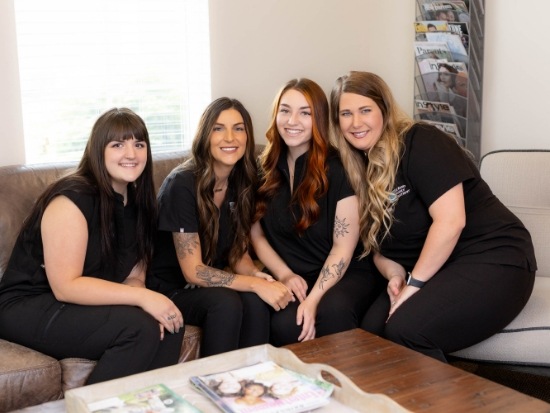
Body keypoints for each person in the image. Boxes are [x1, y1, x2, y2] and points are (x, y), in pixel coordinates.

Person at [330, 71, 536, 362]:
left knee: (406, 329)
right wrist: (396, 274)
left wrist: (415, 285)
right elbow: (377, 246)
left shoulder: (420, 141)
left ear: (384, 111)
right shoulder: (355, 169)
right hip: (439, 268)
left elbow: (451, 221)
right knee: (370, 334)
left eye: (365, 110)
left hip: (495, 257)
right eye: (345, 114)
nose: (356, 123)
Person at [0, 108, 184, 384]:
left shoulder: (141, 204)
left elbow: (134, 276)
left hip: (75, 302)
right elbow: (66, 285)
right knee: (138, 329)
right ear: (99, 150)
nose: (131, 154)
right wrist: (145, 299)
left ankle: (149, 404)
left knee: (171, 323)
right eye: (118, 144)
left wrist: (151, 301)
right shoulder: (72, 198)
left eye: (139, 144)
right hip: (27, 304)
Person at [147, 97, 293, 356]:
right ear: (205, 135)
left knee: (255, 300)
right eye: (218, 128)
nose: (230, 137)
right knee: (225, 303)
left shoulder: (242, 179)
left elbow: (238, 252)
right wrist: (252, 283)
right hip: (172, 288)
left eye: (238, 128)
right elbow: (194, 272)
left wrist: (256, 276)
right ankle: (215, 385)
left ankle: (254, 381)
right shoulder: (181, 185)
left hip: (206, 286)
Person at [251, 78, 382, 346]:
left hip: (344, 274)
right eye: (285, 110)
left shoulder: (340, 168)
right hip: (294, 275)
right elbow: (257, 236)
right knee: (286, 325)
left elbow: (342, 249)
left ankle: (347, 385)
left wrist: (312, 300)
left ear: (319, 119)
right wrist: (284, 275)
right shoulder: (262, 169)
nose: (292, 120)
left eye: (305, 112)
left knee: (332, 311)